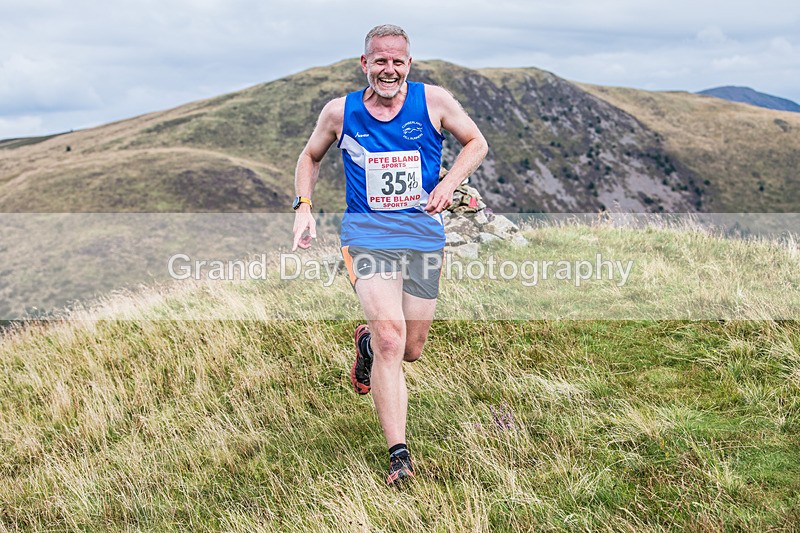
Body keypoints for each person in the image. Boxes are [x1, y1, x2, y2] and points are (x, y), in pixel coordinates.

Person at [292, 24, 487, 485]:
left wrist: (447, 184)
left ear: (408, 65)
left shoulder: (433, 102)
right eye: (380, 60)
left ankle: (364, 345)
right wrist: (304, 207)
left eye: (397, 61)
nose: (389, 69)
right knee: (391, 340)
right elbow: (310, 157)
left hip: (422, 237)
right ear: (364, 64)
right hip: (366, 236)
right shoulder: (340, 112)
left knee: (412, 349)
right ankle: (399, 455)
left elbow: (476, 143)